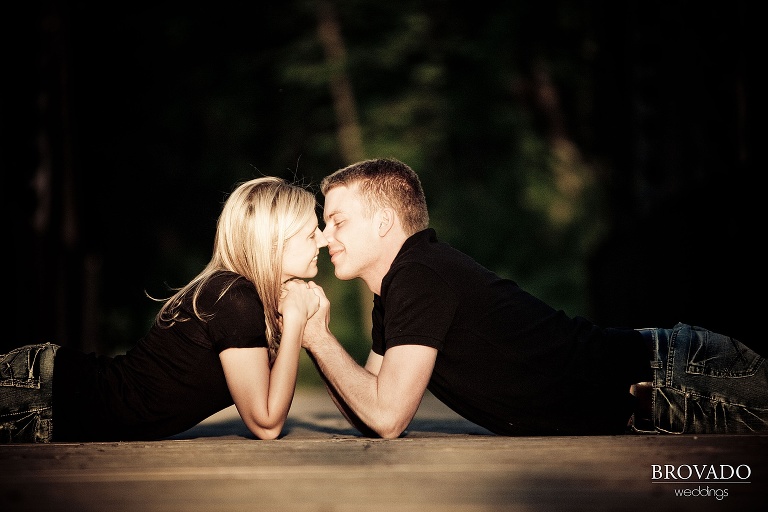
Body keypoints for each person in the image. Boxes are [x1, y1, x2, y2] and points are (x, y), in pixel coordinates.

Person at [298, 157, 768, 437]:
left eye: (337, 220)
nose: (324, 236)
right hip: (653, 397)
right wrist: (315, 336)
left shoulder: (420, 274)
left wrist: (320, 339)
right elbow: (368, 406)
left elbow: (386, 417)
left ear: (383, 223)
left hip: (681, 376)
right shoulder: (399, 288)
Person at [1, 176, 327, 443]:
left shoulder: (241, 295)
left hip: (50, 394)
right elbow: (266, 424)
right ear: (275, 242)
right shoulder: (233, 297)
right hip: (45, 392)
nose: (323, 241)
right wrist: (296, 320)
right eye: (312, 233)